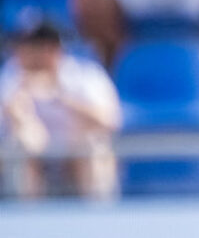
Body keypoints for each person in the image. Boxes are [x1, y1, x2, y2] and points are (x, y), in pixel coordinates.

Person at [0, 22, 121, 199]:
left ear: (51, 50)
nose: (21, 54)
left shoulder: (85, 75)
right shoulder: (12, 75)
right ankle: (27, 217)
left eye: (30, 48)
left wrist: (59, 95)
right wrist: (18, 105)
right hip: (37, 158)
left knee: (91, 147)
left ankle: (97, 218)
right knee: (22, 143)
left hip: (76, 157)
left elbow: (110, 121)